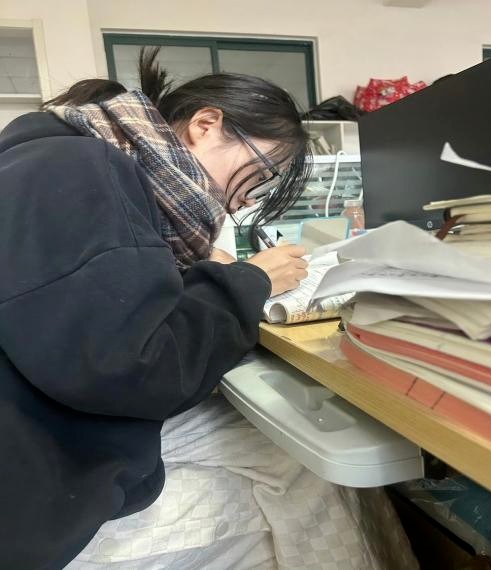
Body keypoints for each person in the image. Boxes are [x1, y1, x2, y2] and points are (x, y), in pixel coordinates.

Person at [0, 48, 311, 569]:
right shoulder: (85, 169)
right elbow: (135, 367)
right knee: (303, 460)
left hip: (33, 432)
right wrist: (249, 281)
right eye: (258, 177)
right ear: (206, 125)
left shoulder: (60, 157)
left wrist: (193, 275)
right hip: (34, 477)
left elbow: (82, 311)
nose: (245, 202)